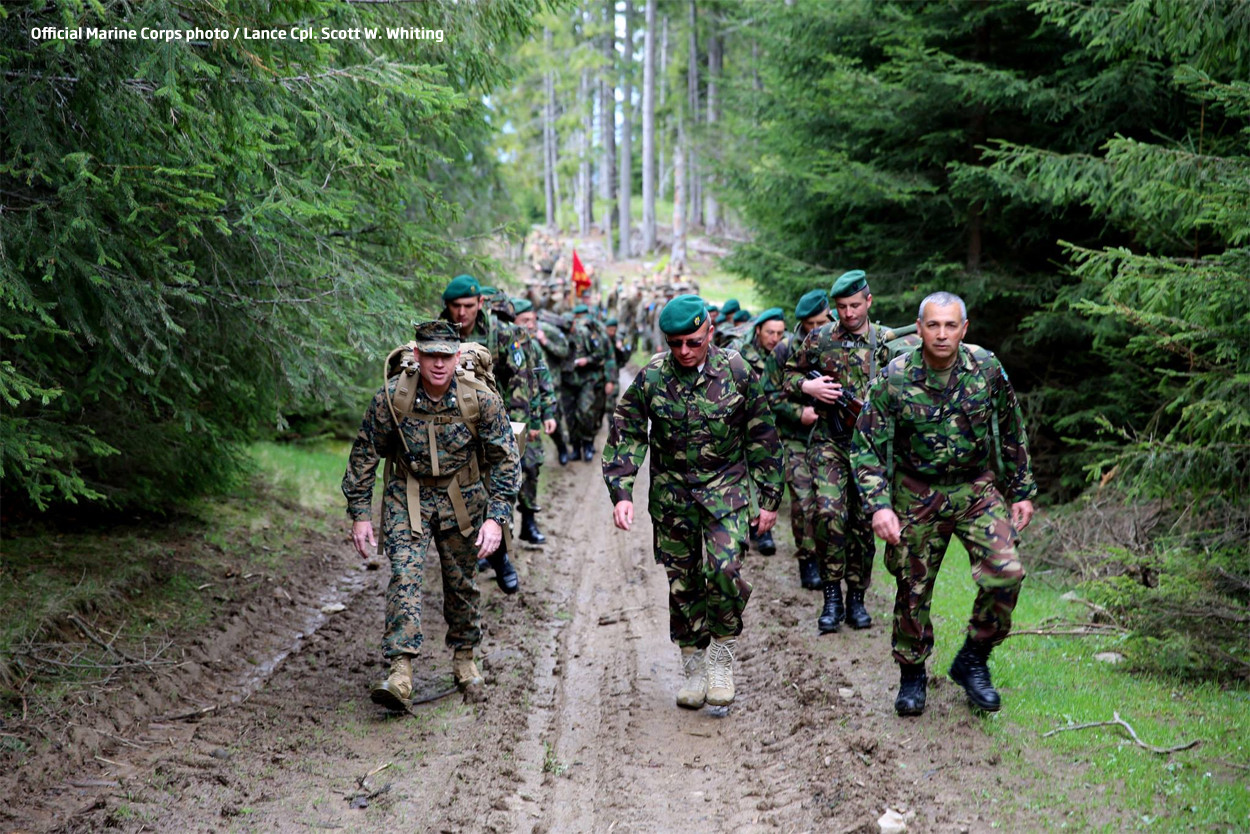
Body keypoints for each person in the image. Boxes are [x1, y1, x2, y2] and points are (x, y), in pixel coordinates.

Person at [851, 291, 1036, 716]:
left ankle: (973, 660)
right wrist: (880, 506)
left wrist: (1021, 489)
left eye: (951, 325)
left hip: (975, 490)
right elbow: (866, 447)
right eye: (933, 325)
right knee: (912, 589)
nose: (941, 334)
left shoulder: (986, 369)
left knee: (1006, 573)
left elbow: (1010, 427)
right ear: (918, 329)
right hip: (916, 492)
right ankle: (912, 673)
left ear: (963, 330)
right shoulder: (895, 377)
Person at [602, 295, 784, 710]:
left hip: (726, 490)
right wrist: (622, 492)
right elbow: (626, 431)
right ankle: (693, 665)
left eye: (693, 342)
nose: (684, 351)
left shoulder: (737, 372)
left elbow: (762, 435)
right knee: (682, 582)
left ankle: (721, 654)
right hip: (672, 496)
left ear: (709, 334)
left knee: (724, 569)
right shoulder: (652, 376)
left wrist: (769, 497)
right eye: (676, 342)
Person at [343, 321, 522, 710]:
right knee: (404, 577)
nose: (438, 364)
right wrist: (360, 514)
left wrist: (497, 518)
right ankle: (400, 671)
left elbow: (506, 461)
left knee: (462, 582)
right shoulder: (394, 398)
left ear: (456, 358)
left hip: (462, 495)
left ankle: (464, 659)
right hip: (408, 495)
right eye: (431, 356)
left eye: (446, 356)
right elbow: (364, 456)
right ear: (418, 356)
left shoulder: (480, 399)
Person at [784, 271, 900, 634]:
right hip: (829, 443)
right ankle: (831, 595)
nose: (848, 313)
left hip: (871, 447)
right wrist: (808, 385)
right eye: (841, 307)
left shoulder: (887, 342)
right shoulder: (818, 338)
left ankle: (857, 597)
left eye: (854, 305)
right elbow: (786, 378)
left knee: (863, 522)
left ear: (869, 301)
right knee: (829, 513)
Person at [440, 273, 531, 592]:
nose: (461, 313)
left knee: (497, 491)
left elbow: (520, 382)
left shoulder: (503, 334)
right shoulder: (438, 335)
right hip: (450, 430)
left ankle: (501, 557)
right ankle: (465, 557)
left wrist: (516, 432)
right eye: (455, 306)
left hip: (494, 426)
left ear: (481, 303)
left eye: (468, 305)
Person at [768, 289, 832, 590]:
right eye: (811, 325)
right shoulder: (785, 350)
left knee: (830, 507)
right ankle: (808, 561)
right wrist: (797, 412)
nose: (817, 330)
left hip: (834, 439)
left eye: (822, 322)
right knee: (804, 501)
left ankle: (832, 561)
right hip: (795, 438)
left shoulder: (843, 343)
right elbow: (766, 396)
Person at [729, 307, 788, 556]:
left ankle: (762, 520)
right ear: (758, 331)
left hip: (777, 422)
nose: (774, 338)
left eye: (780, 333)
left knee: (771, 470)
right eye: (770, 332)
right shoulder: (741, 355)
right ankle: (759, 530)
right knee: (750, 472)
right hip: (746, 423)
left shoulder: (787, 354)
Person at [513, 298, 559, 543]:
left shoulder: (534, 348)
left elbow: (545, 382)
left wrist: (548, 414)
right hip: (506, 422)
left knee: (531, 469)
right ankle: (498, 539)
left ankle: (528, 523)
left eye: (533, 320)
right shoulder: (505, 347)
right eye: (525, 320)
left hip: (530, 423)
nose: (531, 325)